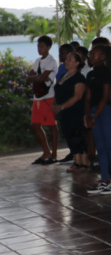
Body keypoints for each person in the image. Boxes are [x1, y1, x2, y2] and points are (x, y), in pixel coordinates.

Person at [84, 44, 111, 194]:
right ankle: (105, 179)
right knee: (100, 146)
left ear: (102, 57)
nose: (91, 57)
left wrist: (94, 115)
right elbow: (88, 97)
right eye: (91, 54)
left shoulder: (106, 72)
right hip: (94, 111)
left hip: (105, 110)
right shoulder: (90, 74)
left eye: (94, 54)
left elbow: (106, 96)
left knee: (110, 145)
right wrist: (88, 115)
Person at [52, 49, 89, 172]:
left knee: (78, 136)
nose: (67, 61)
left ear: (77, 63)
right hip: (65, 114)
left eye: (70, 59)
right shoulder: (64, 76)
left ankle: (84, 163)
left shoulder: (79, 78)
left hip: (75, 112)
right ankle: (76, 161)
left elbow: (77, 96)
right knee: (69, 136)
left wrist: (62, 106)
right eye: (67, 59)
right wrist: (55, 104)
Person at [28, 35, 59, 165]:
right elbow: (29, 78)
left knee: (52, 125)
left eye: (42, 47)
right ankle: (46, 151)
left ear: (49, 47)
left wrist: (37, 77)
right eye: (38, 46)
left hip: (49, 97)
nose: (39, 49)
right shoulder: (38, 61)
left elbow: (39, 78)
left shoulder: (52, 61)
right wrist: (39, 77)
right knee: (35, 124)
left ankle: (54, 154)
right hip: (38, 97)